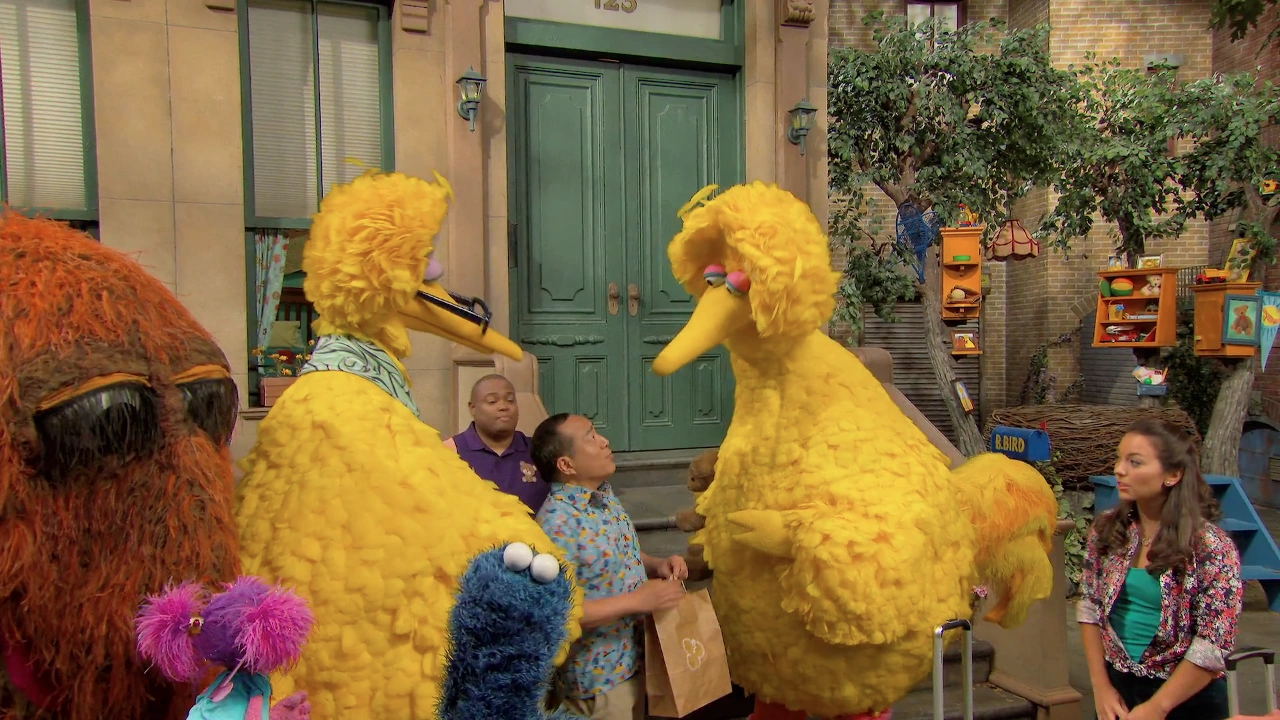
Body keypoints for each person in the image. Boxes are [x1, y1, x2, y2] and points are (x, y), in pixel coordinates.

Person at [1078, 418, 1244, 720]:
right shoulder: (1107, 530)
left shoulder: (1210, 547)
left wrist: (1157, 708)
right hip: (1117, 690)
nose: (1119, 469)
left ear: (1172, 474)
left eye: (1135, 462)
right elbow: (1090, 607)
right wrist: (1100, 687)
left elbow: (1213, 644)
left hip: (1187, 697)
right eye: (1119, 458)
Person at [531, 413, 689, 720]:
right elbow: (556, 614)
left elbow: (618, 554)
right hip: (599, 680)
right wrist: (637, 600)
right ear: (566, 465)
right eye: (590, 437)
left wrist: (657, 565)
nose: (604, 441)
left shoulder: (603, 496)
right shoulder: (556, 524)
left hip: (637, 657)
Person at [445, 374, 548, 512]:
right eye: (492, 401)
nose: (503, 406)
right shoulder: (449, 451)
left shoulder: (539, 451)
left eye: (510, 400)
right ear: (472, 408)